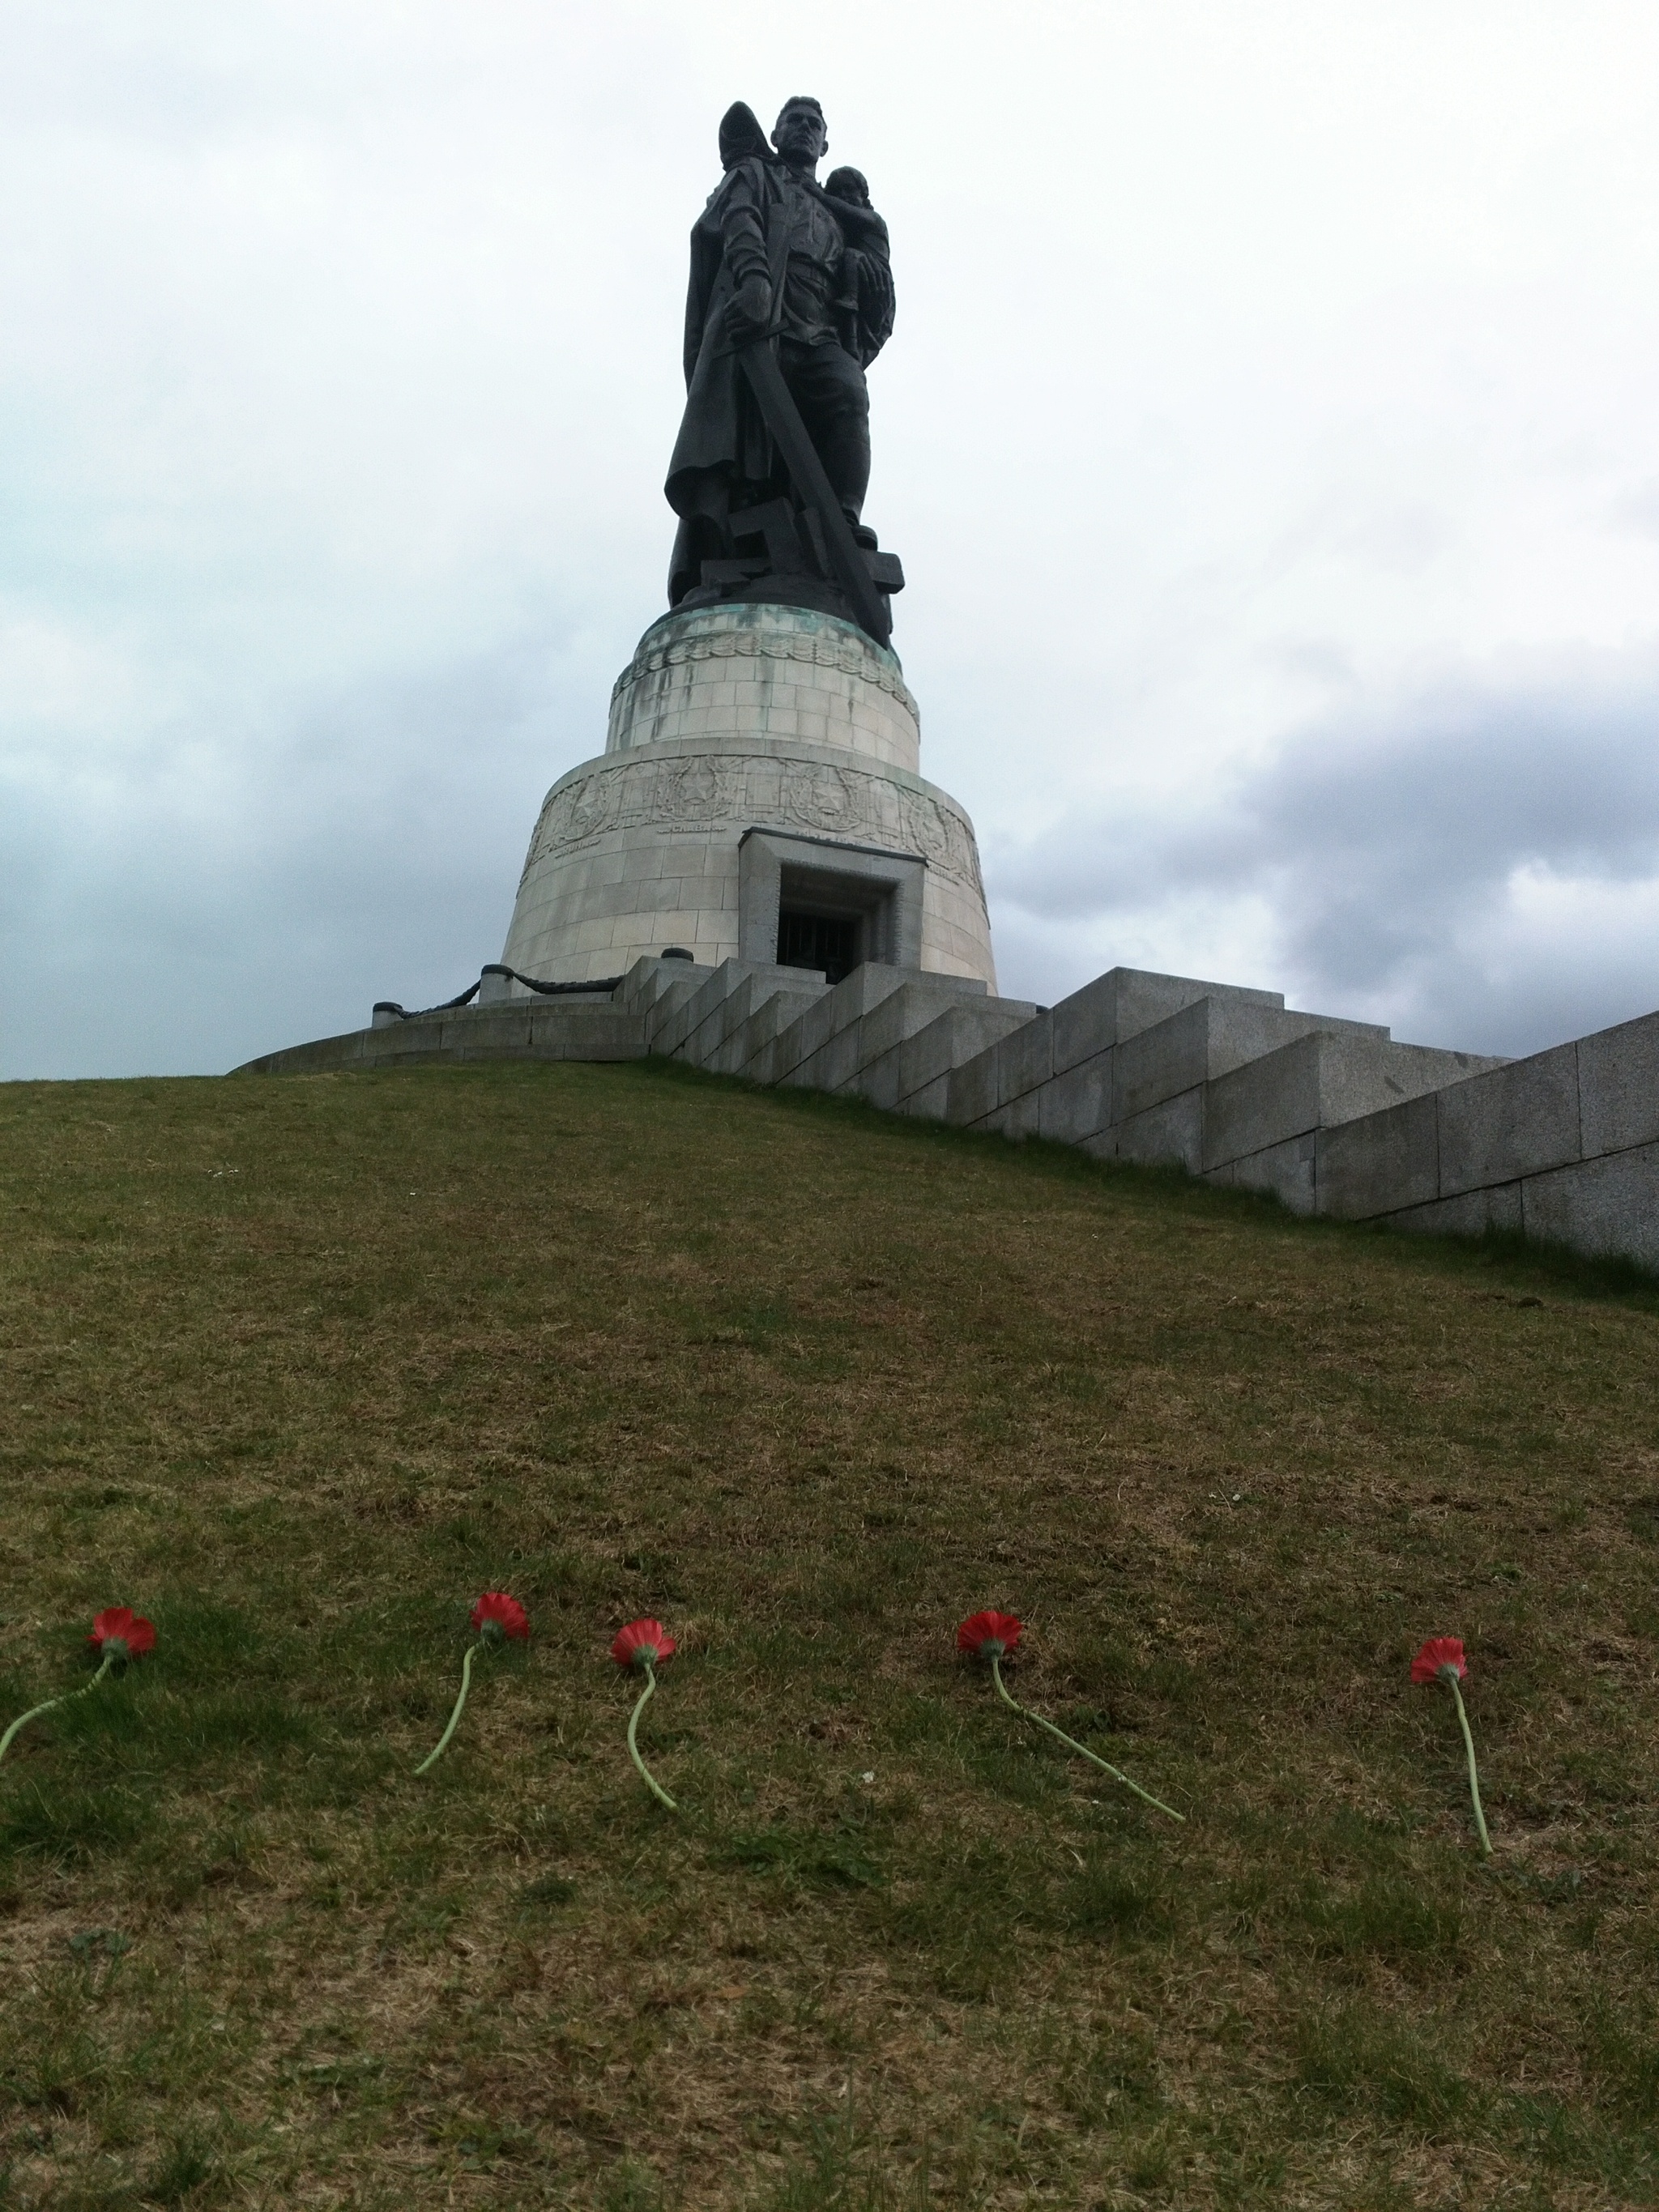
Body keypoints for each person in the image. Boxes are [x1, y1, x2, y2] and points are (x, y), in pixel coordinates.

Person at [664, 98, 894, 609]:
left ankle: (842, 525)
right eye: (796, 121)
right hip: (760, 323)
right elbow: (738, 220)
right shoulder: (757, 173)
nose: (805, 130)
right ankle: (742, 545)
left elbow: (877, 285)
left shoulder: (841, 212)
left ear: (825, 143)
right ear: (777, 131)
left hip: (819, 329)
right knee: (751, 442)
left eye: (815, 125)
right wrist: (753, 281)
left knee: (847, 396)